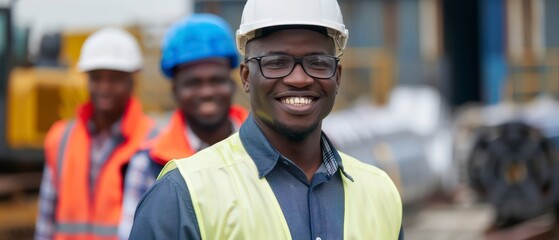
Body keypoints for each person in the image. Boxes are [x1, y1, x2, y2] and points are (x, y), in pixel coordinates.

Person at [130, 0, 404, 239]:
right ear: (246, 77)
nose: (300, 79)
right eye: (276, 62)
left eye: (318, 62)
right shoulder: (183, 195)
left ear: (338, 76)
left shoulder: (380, 193)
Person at [118, 13, 248, 239]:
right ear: (175, 90)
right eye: (193, 83)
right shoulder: (148, 165)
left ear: (232, 82)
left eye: (216, 80)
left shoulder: (269, 150)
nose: (206, 92)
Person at [35, 28, 156, 240]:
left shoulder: (153, 140)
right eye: (97, 78)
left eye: (115, 79)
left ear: (132, 80)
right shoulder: (61, 138)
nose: (104, 87)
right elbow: (46, 220)